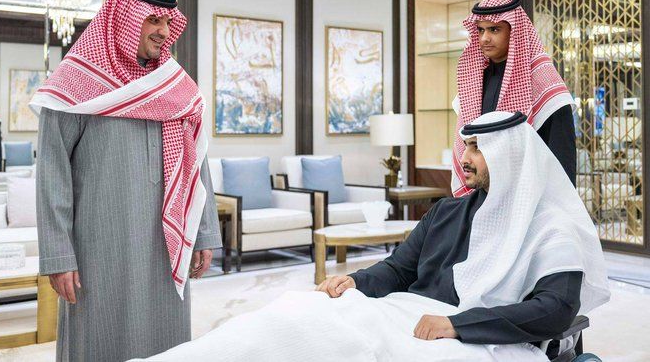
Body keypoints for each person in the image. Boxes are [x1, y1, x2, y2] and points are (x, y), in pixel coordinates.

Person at [137, 111, 609, 362]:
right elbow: (398, 269)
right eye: (466, 145)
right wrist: (355, 282)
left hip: (467, 339)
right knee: (295, 315)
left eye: (478, 149)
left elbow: (555, 310)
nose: (464, 158)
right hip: (400, 315)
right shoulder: (447, 211)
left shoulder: (550, 228)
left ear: (511, 158)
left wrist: (457, 325)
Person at [31, 0, 222, 362]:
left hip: (164, 244)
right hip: (99, 248)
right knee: (97, 339)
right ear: (124, 19)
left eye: (167, 22)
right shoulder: (74, 85)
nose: (163, 31)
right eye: (153, 20)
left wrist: (204, 231)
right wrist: (58, 255)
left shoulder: (174, 85)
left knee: (167, 346)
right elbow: (52, 175)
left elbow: (194, 162)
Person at [452, 0, 576, 197]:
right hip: (483, 196)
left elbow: (562, 158)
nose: (485, 38)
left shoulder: (544, 84)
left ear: (514, 31)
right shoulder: (472, 82)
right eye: (481, 30)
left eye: (494, 29)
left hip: (530, 196)